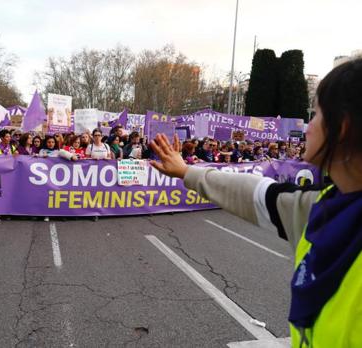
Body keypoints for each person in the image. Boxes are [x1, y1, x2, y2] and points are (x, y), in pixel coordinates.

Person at [149, 58, 362, 347]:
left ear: (343, 128)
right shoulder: (319, 207)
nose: (307, 128)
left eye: (316, 115)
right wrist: (186, 171)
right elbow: (255, 193)